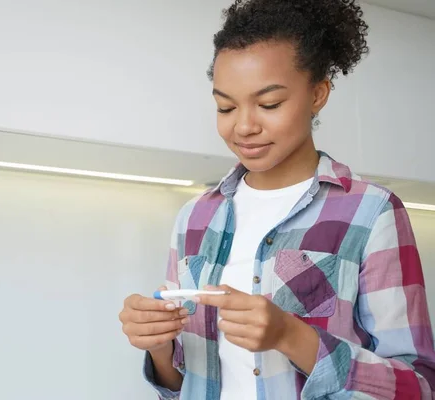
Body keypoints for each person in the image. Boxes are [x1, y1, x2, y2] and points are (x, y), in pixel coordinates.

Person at [118, 0, 435, 399]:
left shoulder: (370, 213)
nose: (245, 126)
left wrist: (290, 335)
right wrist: (159, 347)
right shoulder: (194, 217)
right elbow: (184, 384)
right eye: (225, 107)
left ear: (318, 94)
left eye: (269, 104)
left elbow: (418, 386)